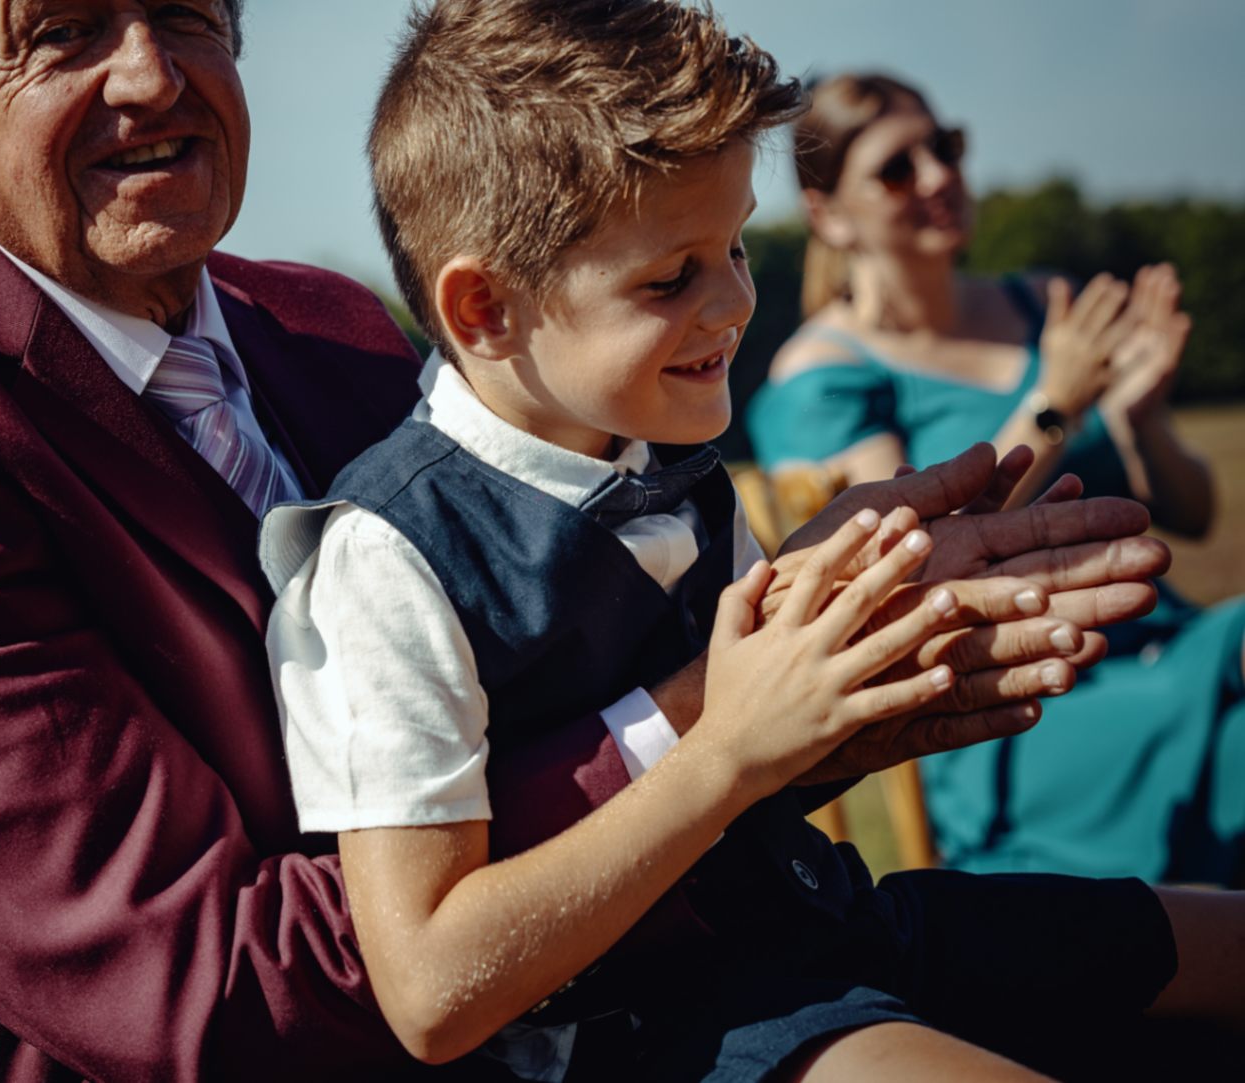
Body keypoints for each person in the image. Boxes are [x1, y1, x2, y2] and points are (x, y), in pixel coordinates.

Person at [0, 3, 1198, 1080]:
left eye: (185, 11)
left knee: (1192, 961)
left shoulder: (335, 322)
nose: (152, 71)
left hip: (682, 950)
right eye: (66, 28)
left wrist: (844, 650)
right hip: (463, 1035)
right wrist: (717, 720)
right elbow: (199, 995)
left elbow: (570, 681)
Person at [257, 4, 1245, 1080]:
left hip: (830, 924)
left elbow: (756, 793)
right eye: (670, 276)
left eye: (733, 245)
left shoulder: (666, 459)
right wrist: (730, 750)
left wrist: (868, 664)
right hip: (657, 1031)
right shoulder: (383, 557)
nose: (734, 299)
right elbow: (431, 991)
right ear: (486, 306)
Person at [747, 72, 1245, 885]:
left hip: (1164, 639)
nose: (940, 177)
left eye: (944, 148)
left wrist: (1145, 417)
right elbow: (908, 560)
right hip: (1018, 702)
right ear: (828, 213)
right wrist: (1056, 403)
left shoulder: (1041, 302)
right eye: (897, 168)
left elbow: (1194, 513)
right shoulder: (820, 375)